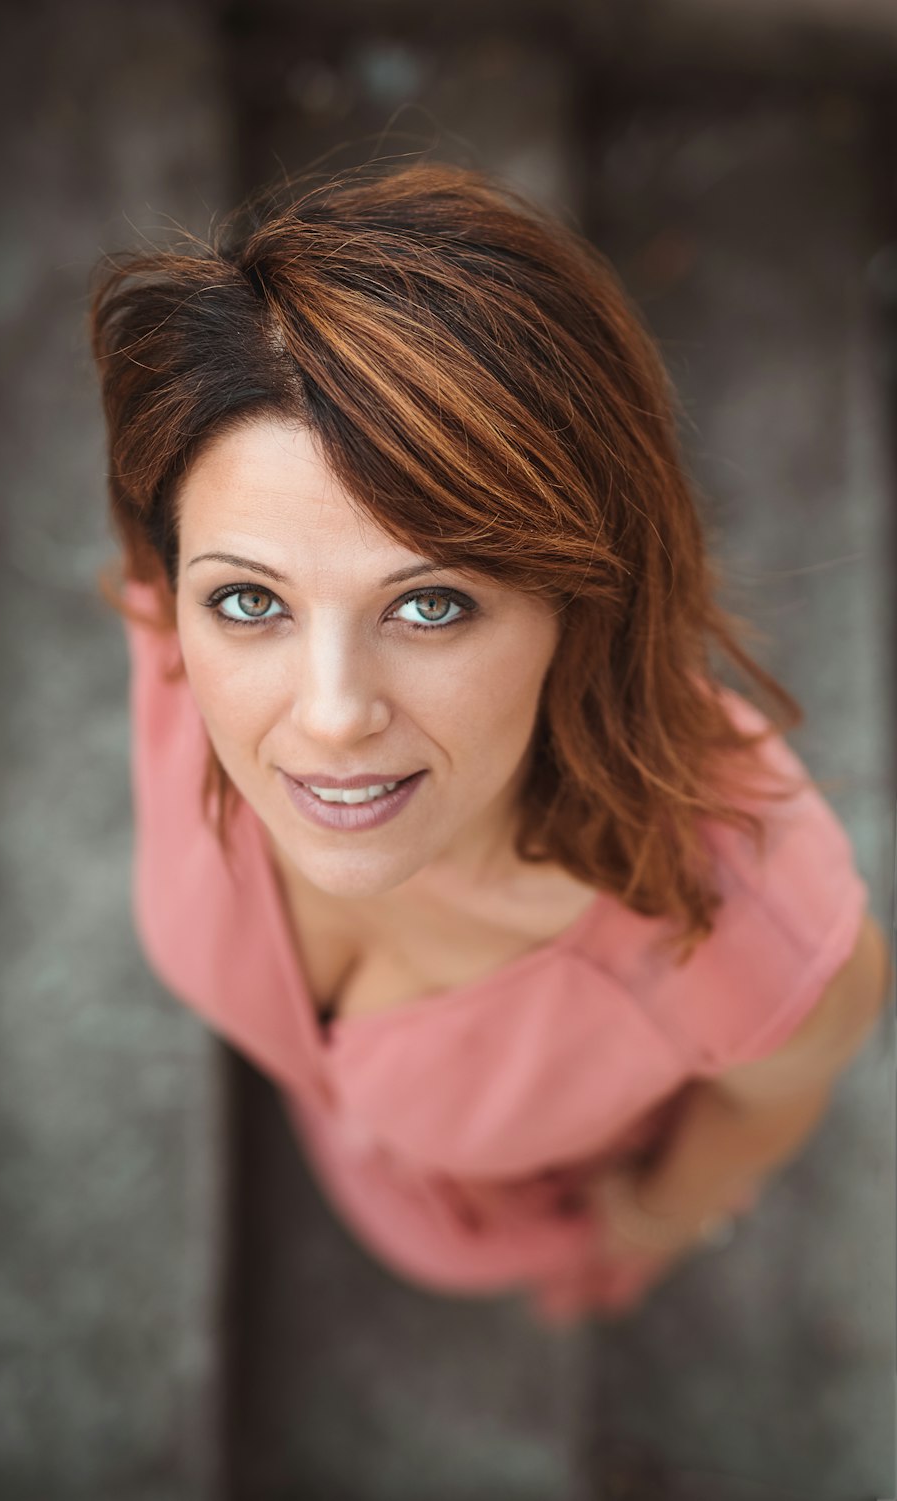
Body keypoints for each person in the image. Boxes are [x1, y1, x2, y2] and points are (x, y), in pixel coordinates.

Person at [87, 161, 891, 1324]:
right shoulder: (170, 625)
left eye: (431, 604)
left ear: (584, 602)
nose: (326, 717)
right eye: (253, 602)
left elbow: (766, 1104)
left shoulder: (743, 930)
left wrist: (652, 1220)